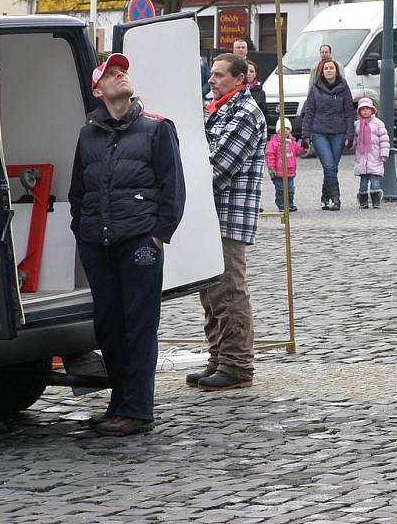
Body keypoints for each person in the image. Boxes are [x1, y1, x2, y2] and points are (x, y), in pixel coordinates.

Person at [68, 53, 186, 436]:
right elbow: (78, 191)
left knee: (138, 326)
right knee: (109, 327)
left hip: (139, 242)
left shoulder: (156, 128)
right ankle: (118, 403)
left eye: (123, 71)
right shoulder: (88, 134)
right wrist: (82, 232)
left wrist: (158, 235)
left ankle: (137, 410)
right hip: (97, 244)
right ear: (97, 89)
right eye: (111, 73)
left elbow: (173, 188)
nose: (121, 75)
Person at [187, 52, 266, 391]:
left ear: (239, 79)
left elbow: (218, 166)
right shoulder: (219, 110)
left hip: (228, 216)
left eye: (219, 75)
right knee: (211, 294)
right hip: (209, 214)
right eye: (212, 75)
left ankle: (236, 365)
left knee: (229, 291)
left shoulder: (246, 113)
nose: (212, 80)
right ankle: (218, 358)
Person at [301, 58, 354, 211]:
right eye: (326, 69)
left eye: (331, 68)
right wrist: (305, 134)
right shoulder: (315, 89)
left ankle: (325, 197)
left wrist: (350, 135)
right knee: (329, 165)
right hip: (319, 132)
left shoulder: (344, 88)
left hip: (339, 132)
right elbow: (309, 112)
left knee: (332, 167)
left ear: (336, 71)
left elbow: (349, 113)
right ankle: (336, 199)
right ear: (321, 72)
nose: (329, 71)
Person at [353, 97, 390, 209]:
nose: (365, 111)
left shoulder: (378, 124)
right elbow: (355, 139)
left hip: (375, 157)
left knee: (375, 180)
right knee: (363, 181)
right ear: (359, 111)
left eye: (367, 109)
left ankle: (375, 200)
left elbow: (384, 140)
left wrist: (384, 154)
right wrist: (350, 144)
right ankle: (363, 201)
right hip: (362, 157)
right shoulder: (357, 124)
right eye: (362, 109)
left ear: (372, 110)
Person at [266, 117, 304, 212]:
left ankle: (290, 204)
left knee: (290, 190)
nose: (285, 131)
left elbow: (298, 151)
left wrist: (304, 146)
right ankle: (281, 204)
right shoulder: (273, 143)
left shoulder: (292, 142)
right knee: (281, 190)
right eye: (282, 129)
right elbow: (270, 155)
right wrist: (271, 168)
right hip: (278, 172)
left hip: (289, 171)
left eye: (287, 129)